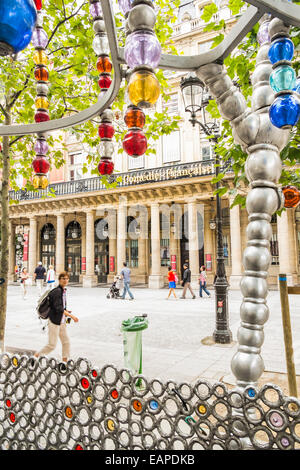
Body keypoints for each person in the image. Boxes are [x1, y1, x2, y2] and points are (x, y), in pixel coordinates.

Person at [34, 271, 78, 362]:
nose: (65, 280)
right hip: (54, 321)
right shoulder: (57, 291)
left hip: (61, 321)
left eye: (67, 279)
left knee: (66, 342)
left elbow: (61, 307)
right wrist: (72, 316)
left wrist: (66, 311)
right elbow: (59, 309)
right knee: (52, 345)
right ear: (59, 280)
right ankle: (36, 357)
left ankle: (64, 363)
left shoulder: (63, 291)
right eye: (63, 279)